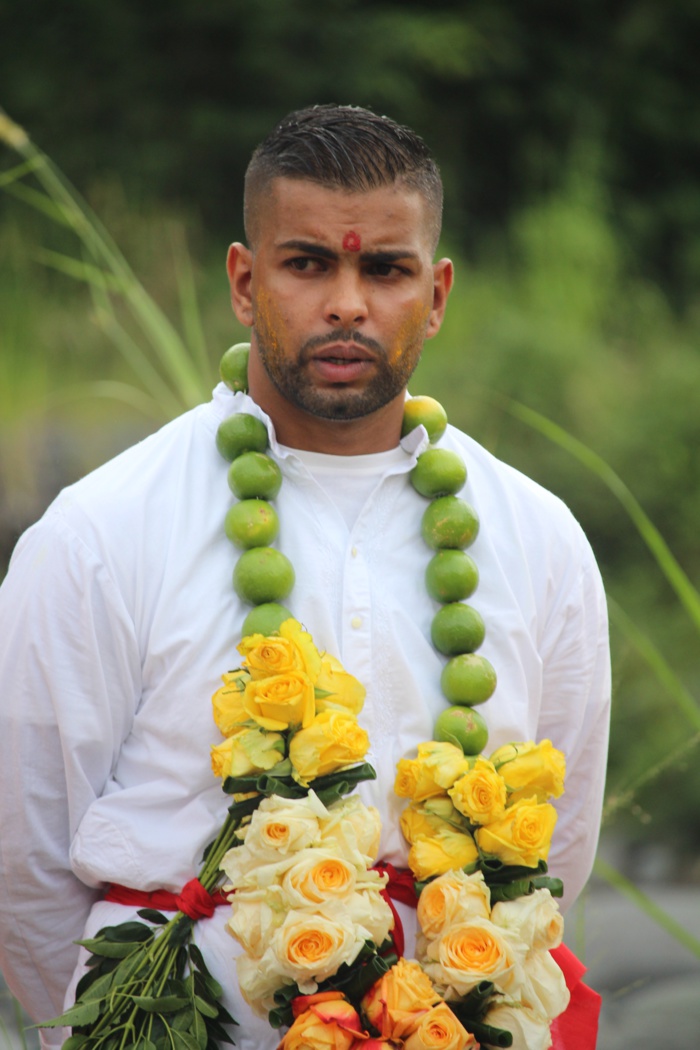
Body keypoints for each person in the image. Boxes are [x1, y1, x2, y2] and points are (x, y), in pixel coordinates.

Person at [0, 104, 610, 1048]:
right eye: (308, 263)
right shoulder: (101, 532)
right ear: (245, 283)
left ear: (437, 294)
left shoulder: (538, 536)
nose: (348, 304)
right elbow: (22, 856)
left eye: (386, 268)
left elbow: (559, 844)